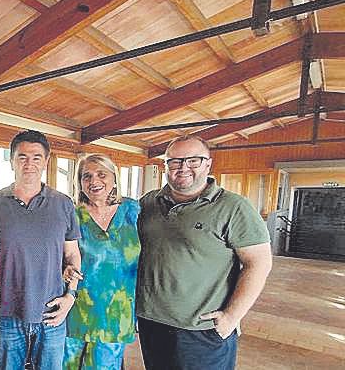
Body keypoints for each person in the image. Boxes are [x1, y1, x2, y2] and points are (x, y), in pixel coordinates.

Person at [136, 134, 273, 370]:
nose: (183, 168)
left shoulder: (233, 207)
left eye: (193, 161)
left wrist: (232, 316)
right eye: (175, 161)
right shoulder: (148, 203)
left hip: (202, 327)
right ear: (165, 166)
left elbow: (259, 263)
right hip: (152, 321)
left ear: (208, 164)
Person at [0, 130, 81, 370]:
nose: (29, 163)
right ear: (11, 160)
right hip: (5, 313)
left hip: (52, 311)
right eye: (22, 157)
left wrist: (71, 296)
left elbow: (72, 255)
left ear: (46, 162)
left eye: (37, 157)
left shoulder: (63, 203)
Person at [62, 154, 141, 370]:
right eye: (86, 176)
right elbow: (60, 256)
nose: (94, 181)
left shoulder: (133, 211)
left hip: (117, 314)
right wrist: (65, 270)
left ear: (114, 179)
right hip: (76, 310)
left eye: (101, 174)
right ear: (79, 183)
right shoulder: (72, 214)